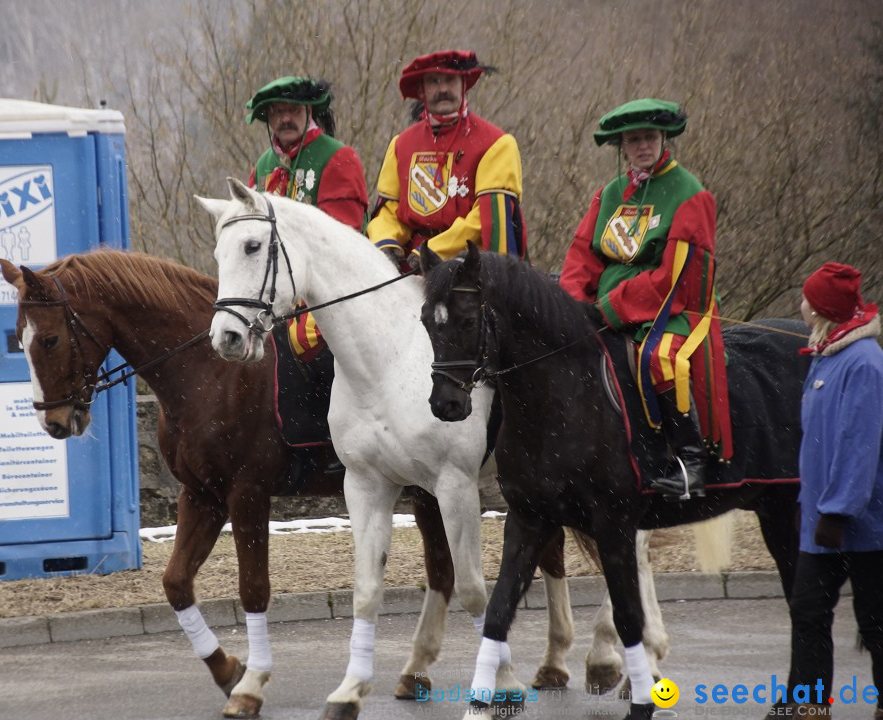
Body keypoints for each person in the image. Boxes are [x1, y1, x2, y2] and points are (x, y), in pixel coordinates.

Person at [559, 98, 732, 500]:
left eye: (650, 137)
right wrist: (571, 307)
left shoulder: (690, 193)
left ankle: (691, 463)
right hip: (605, 309)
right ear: (622, 146)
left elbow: (677, 278)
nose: (642, 146)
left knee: (661, 359)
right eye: (634, 140)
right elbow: (581, 255)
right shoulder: (611, 194)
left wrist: (612, 307)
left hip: (673, 309)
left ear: (663, 138)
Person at [770, 262, 883, 719]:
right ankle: (811, 704)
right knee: (808, 611)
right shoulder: (826, 355)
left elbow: (859, 444)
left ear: (823, 309)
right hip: (822, 521)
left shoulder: (865, 363)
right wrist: (807, 504)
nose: (800, 305)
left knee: (876, 623)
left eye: (806, 298)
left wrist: (838, 510)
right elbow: (816, 444)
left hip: (866, 524)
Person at [246, 76, 368, 363]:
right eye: (278, 111)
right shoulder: (263, 167)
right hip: (274, 298)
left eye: (294, 110)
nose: (285, 118)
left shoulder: (338, 158)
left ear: (309, 111)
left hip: (331, 295)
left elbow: (341, 244)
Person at [366, 50, 526, 268]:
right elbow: (389, 211)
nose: (442, 89)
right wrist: (385, 242)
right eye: (433, 82)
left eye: (450, 80)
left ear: (464, 84)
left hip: (468, 271)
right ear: (421, 90)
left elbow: (488, 222)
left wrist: (434, 250)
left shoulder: (497, 144)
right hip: (408, 269)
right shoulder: (400, 145)